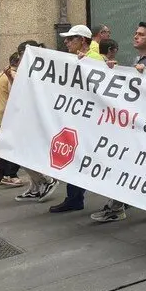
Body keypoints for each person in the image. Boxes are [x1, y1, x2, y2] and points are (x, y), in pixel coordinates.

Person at [91, 25, 146, 223]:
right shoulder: (137, 60)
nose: (135, 36)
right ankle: (119, 204)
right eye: (135, 33)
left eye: (141, 34)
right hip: (135, 121)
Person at [50, 25, 101, 213]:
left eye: (71, 38)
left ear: (83, 40)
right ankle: (74, 197)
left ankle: (77, 198)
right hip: (79, 118)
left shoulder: (94, 59)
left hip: (88, 121)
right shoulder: (76, 59)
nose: (66, 42)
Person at [13, 40, 60, 203]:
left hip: (38, 117)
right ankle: (35, 187)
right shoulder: (24, 68)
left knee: (23, 152)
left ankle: (47, 180)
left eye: (21, 54)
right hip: (27, 116)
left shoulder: (44, 67)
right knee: (21, 152)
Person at [0, 51, 24, 187]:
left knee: (4, 147)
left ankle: (2, 175)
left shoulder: (1, 74)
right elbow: (17, 95)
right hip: (9, 116)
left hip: (0, 114)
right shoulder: (12, 75)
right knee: (15, 147)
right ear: (18, 62)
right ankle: (11, 175)